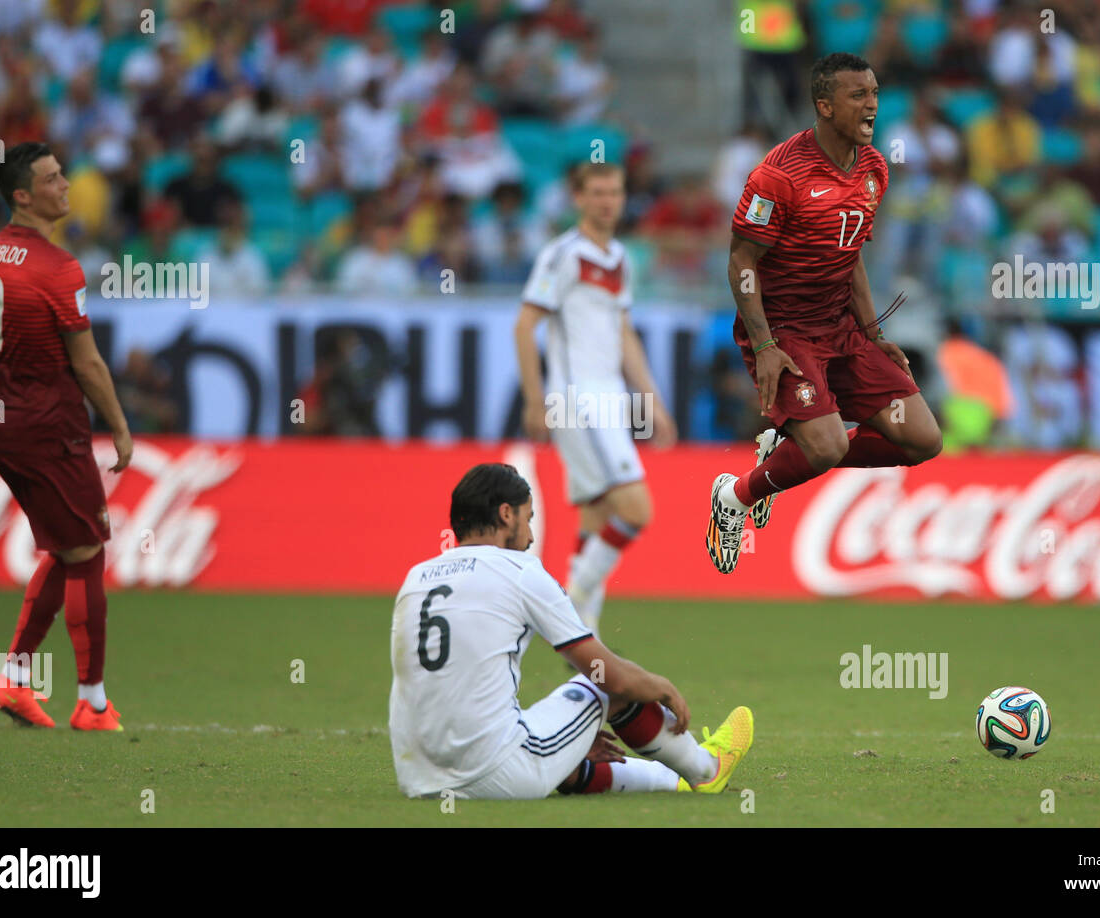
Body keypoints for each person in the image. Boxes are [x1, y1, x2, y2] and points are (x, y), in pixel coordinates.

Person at [706, 53, 942, 575]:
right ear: (824, 105)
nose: (872, 105)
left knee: (922, 439)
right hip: (786, 330)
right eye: (858, 95)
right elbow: (741, 261)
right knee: (828, 443)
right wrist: (765, 346)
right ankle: (736, 497)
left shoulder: (874, 169)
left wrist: (874, 332)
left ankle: (789, 451)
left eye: (875, 93)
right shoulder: (778, 175)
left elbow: (850, 252)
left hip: (841, 327)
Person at [389, 463, 753, 799]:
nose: (531, 536)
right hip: (489, 773)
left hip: (417, 778)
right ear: (505, 514)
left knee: (553, 737)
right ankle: (706, 769)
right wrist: (658, 685)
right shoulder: (520, 571)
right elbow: (612, 679)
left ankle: (665, 781)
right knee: (606, 683)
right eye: (528, 518)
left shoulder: (415, 577)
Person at [0, 142, 134, 730]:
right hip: (51, 429)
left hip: (2, 424)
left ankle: (12, 681)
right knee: (87, 550)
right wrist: (119, 426)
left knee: (65, 546)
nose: (66, 184)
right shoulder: (60, 268)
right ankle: (92, 702)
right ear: (22, 194)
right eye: (53, 178)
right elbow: (87, 365)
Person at [514, 162, 676, 635]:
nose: (608, 201)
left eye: (615, 192)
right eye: (598, 192)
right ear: (578, 198)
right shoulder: (563, 254)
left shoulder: (621, 258)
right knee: (636, 510)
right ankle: (568, 605)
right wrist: (533, 398)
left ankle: (584, 639)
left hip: (611, 400)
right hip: (578, 399)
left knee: (597, 515)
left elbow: (624, 333)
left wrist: (653, 400)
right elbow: (525, 324)